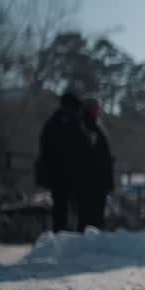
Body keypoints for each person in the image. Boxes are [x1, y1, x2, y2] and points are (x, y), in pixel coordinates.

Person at [36, 92, 92, 232]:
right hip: (72, 174)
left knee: (60, 209)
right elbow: (83, 146)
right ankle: (71, 237)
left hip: (57, 174)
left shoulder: (52, 122)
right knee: (75, 209)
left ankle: (60, 234)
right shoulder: (73, 122)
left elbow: (45, 147)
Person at [79, 97, 114, 230]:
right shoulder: (87, 126)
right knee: (90, 216)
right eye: (95, 108)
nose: (98, 110)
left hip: (97, 180)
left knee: (95, 215)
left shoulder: (95, 126)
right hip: (92, 181)